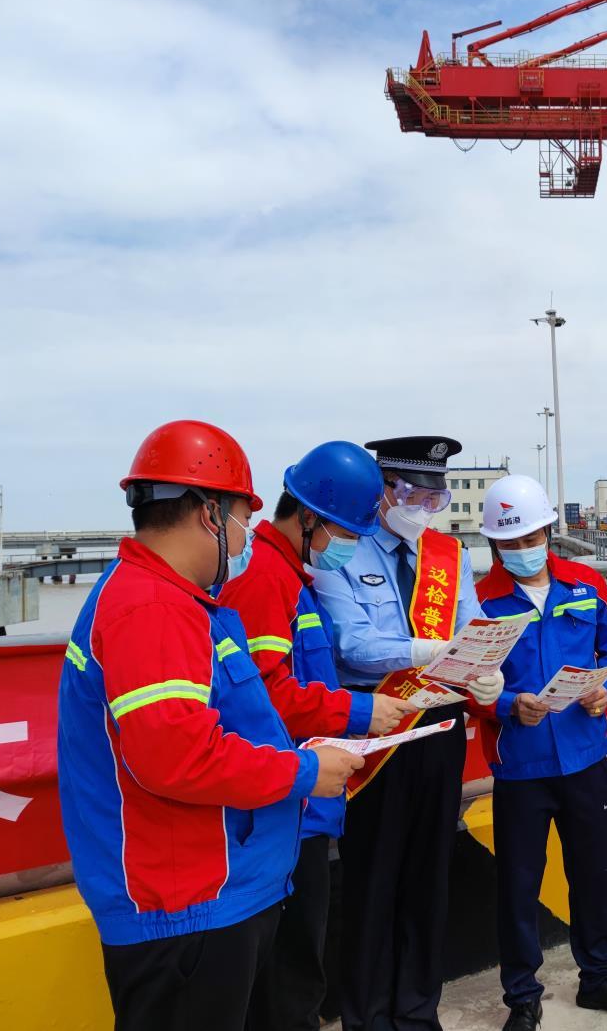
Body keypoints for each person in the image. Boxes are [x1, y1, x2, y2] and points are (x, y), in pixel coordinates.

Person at [57, 420, 361, 1031]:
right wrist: (305, 772)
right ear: (208, 514)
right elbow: (178, 755)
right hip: (185, 910)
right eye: (243, 518)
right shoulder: (151, 608)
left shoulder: (184, 603)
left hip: (219, 893)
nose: (248, 535)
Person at [220, 440, 415, 1031]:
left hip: (301, 801)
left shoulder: (290, 575)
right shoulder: (265, 580)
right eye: (346, 532)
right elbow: (266, 697)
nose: (349, 545)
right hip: (285, 809)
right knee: (290, 974)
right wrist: (359, 711)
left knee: (300, 965)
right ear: (308, 518)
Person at [310, 435, 503, 1031]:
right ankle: (368, 1016)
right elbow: (351, 644)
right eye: (414, 495)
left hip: (440, 726)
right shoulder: (342, 547)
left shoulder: (448, 554)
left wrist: (487, 665)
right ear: (385, 490)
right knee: (372, 881)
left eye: (434, 497)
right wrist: (428, 650)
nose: (424, 508)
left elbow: (472, 622)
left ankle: (419, 1011)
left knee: (428, 876)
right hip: (377, 733)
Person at [473, 475, 607, 1031]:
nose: (523, 549)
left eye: (531, 537)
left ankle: (598, 979)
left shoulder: (586, 584)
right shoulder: (478, 602)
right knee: (518, 886)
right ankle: (521, 997)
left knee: (592, 876)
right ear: (493, 544)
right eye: (510, 542)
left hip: (585, 759)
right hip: (520, 767)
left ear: (549, 533)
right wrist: (508, 705)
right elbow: (467, 682)